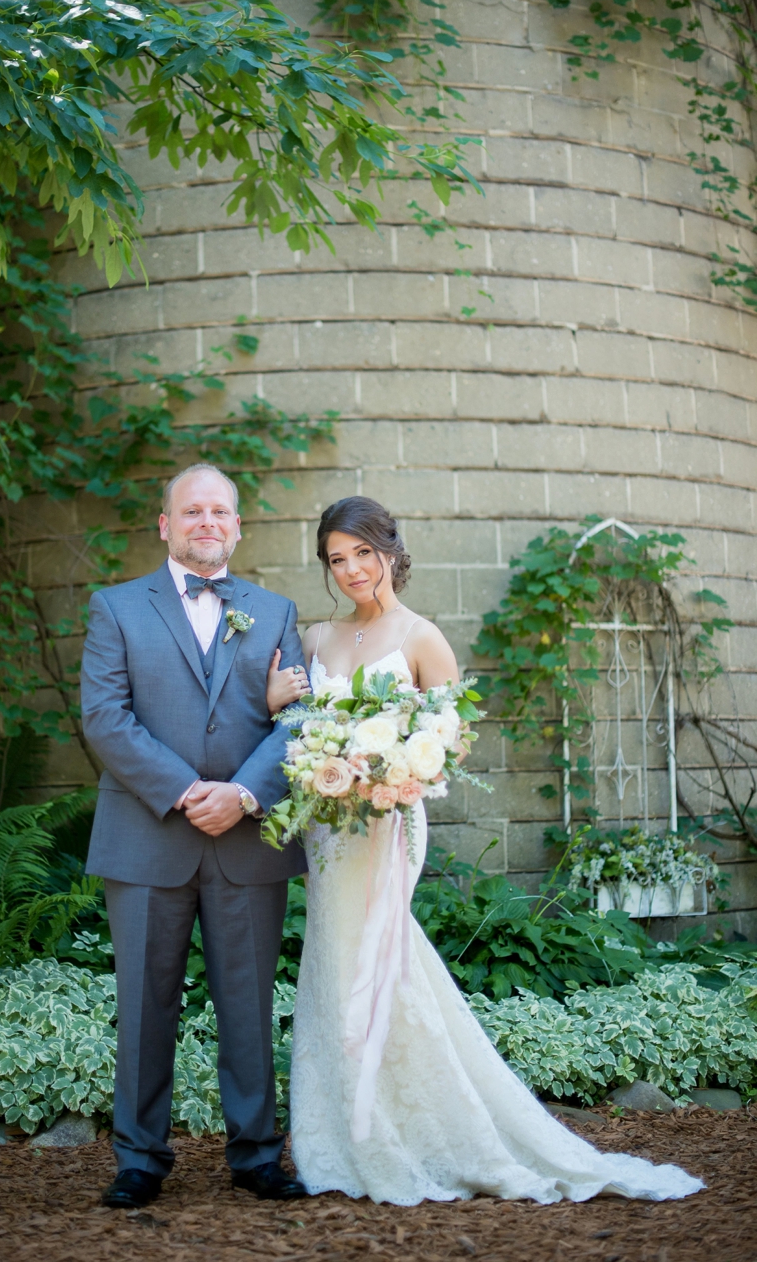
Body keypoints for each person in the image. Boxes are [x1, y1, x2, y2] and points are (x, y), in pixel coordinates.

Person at [265, 495, 705, 1207]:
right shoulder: (315, 639)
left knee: (377, 958)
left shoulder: (421, 637)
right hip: (328, 829)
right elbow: (293, 727)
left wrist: (397, 768)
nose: (350, 570)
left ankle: (415, 1131)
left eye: (362, 555)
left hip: (385, 822)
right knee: (335, 963)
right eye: (336, 559)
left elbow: (451, 740)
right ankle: (345, 1135)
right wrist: (276, 702)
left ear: (390, 551)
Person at [81, 463, 310, 1208]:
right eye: (192, 511)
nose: (206, 521)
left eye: (220, 511)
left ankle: (256, 1155)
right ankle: (140, 1159)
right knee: (145, 1003)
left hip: (247, 837)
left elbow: (300, 721)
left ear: (238, 526)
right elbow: (105, 719)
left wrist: (244, 793)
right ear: (165, 526)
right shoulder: (116, 609)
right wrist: (186, 794)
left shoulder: (275, 613)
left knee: (248, 1002)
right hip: (149, 835)